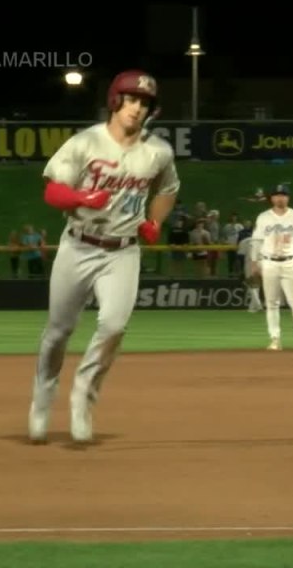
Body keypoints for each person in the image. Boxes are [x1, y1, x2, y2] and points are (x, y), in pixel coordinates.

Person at [27, 69, 180, 445]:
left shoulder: (157, 151)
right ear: (115, 100)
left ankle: (83, 396)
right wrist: (79, 198)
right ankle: (42, 398)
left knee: (113, 326)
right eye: (131, 99)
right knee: (58, 332)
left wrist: (155, 223)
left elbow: (169, 188)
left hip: (123, 251)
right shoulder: (85, 143)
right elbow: (52, 191)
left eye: (144, 103)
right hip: (78, 244)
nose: (137, 108)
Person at [248, 183, 293, 351]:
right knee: (271, 303)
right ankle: (275, 339)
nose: (280, 197)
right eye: (276, 195)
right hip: (269, 262)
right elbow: (256, 241)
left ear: (288, 197)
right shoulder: (263, 217)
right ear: (271, 198)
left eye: (283, 195)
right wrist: (255, 262)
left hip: (289, 262)